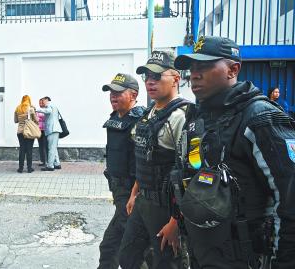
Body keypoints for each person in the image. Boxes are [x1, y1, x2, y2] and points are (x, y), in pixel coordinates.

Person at [173, 35, 295, 268]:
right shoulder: (198, 116)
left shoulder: (260, 117)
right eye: (192, 67)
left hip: (247, 255)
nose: (194, 74)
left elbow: (289, 199)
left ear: (233, 69)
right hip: (204, 251)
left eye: (205, 66)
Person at [119, 51, 191, 269]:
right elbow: (145, 159)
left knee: (167, 263)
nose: (150, 82)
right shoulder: (150, 112)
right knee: (127, 258)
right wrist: (134, 193)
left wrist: (176, 222)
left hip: (167, 208)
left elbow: (188, 175)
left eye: (157, 76)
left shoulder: (182, 115)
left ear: (176, 79)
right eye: (147, 76)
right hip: (143, 202)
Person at [98, 73, 145, 269]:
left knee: (131, 250)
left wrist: (135, 193)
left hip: (132, 194)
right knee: (110, 246)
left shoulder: (141, 120)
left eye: (118, 92)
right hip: (119, 193)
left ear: (133, 95)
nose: (112, 96)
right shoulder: (115, 118)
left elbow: (144, 162)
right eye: (111, 92)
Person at [37, 97, 62, 171]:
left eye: (44, 101)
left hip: (52, 129)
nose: (43, 102)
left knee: (51, 148)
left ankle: (50, 166)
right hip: (55, 129)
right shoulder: (54, 105)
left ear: (47, 100)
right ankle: (57, 163)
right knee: (54, 148)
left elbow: (48, 111)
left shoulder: (49, 106)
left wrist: (37, 109)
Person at [14, 95, 38, 173]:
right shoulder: (31, 109)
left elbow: (15, 120)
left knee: (22, 149)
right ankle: (29, 168)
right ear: (29, 100)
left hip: (20, 131)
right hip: (29, 132)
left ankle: (20, 168)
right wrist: (35, 111)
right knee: (29, 150)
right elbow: (36, 120)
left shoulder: (17, 108)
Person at [37, 98, 48, 166]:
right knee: (40, 145)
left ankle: (47, 161)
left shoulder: (46, 110)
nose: (40, 104)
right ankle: (42, 161)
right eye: (39, 103)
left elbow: (46, 118)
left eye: (41, 103)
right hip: (39, 130)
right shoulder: (38, 110)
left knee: (45, 146)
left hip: (45, 130)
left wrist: (40, 119)